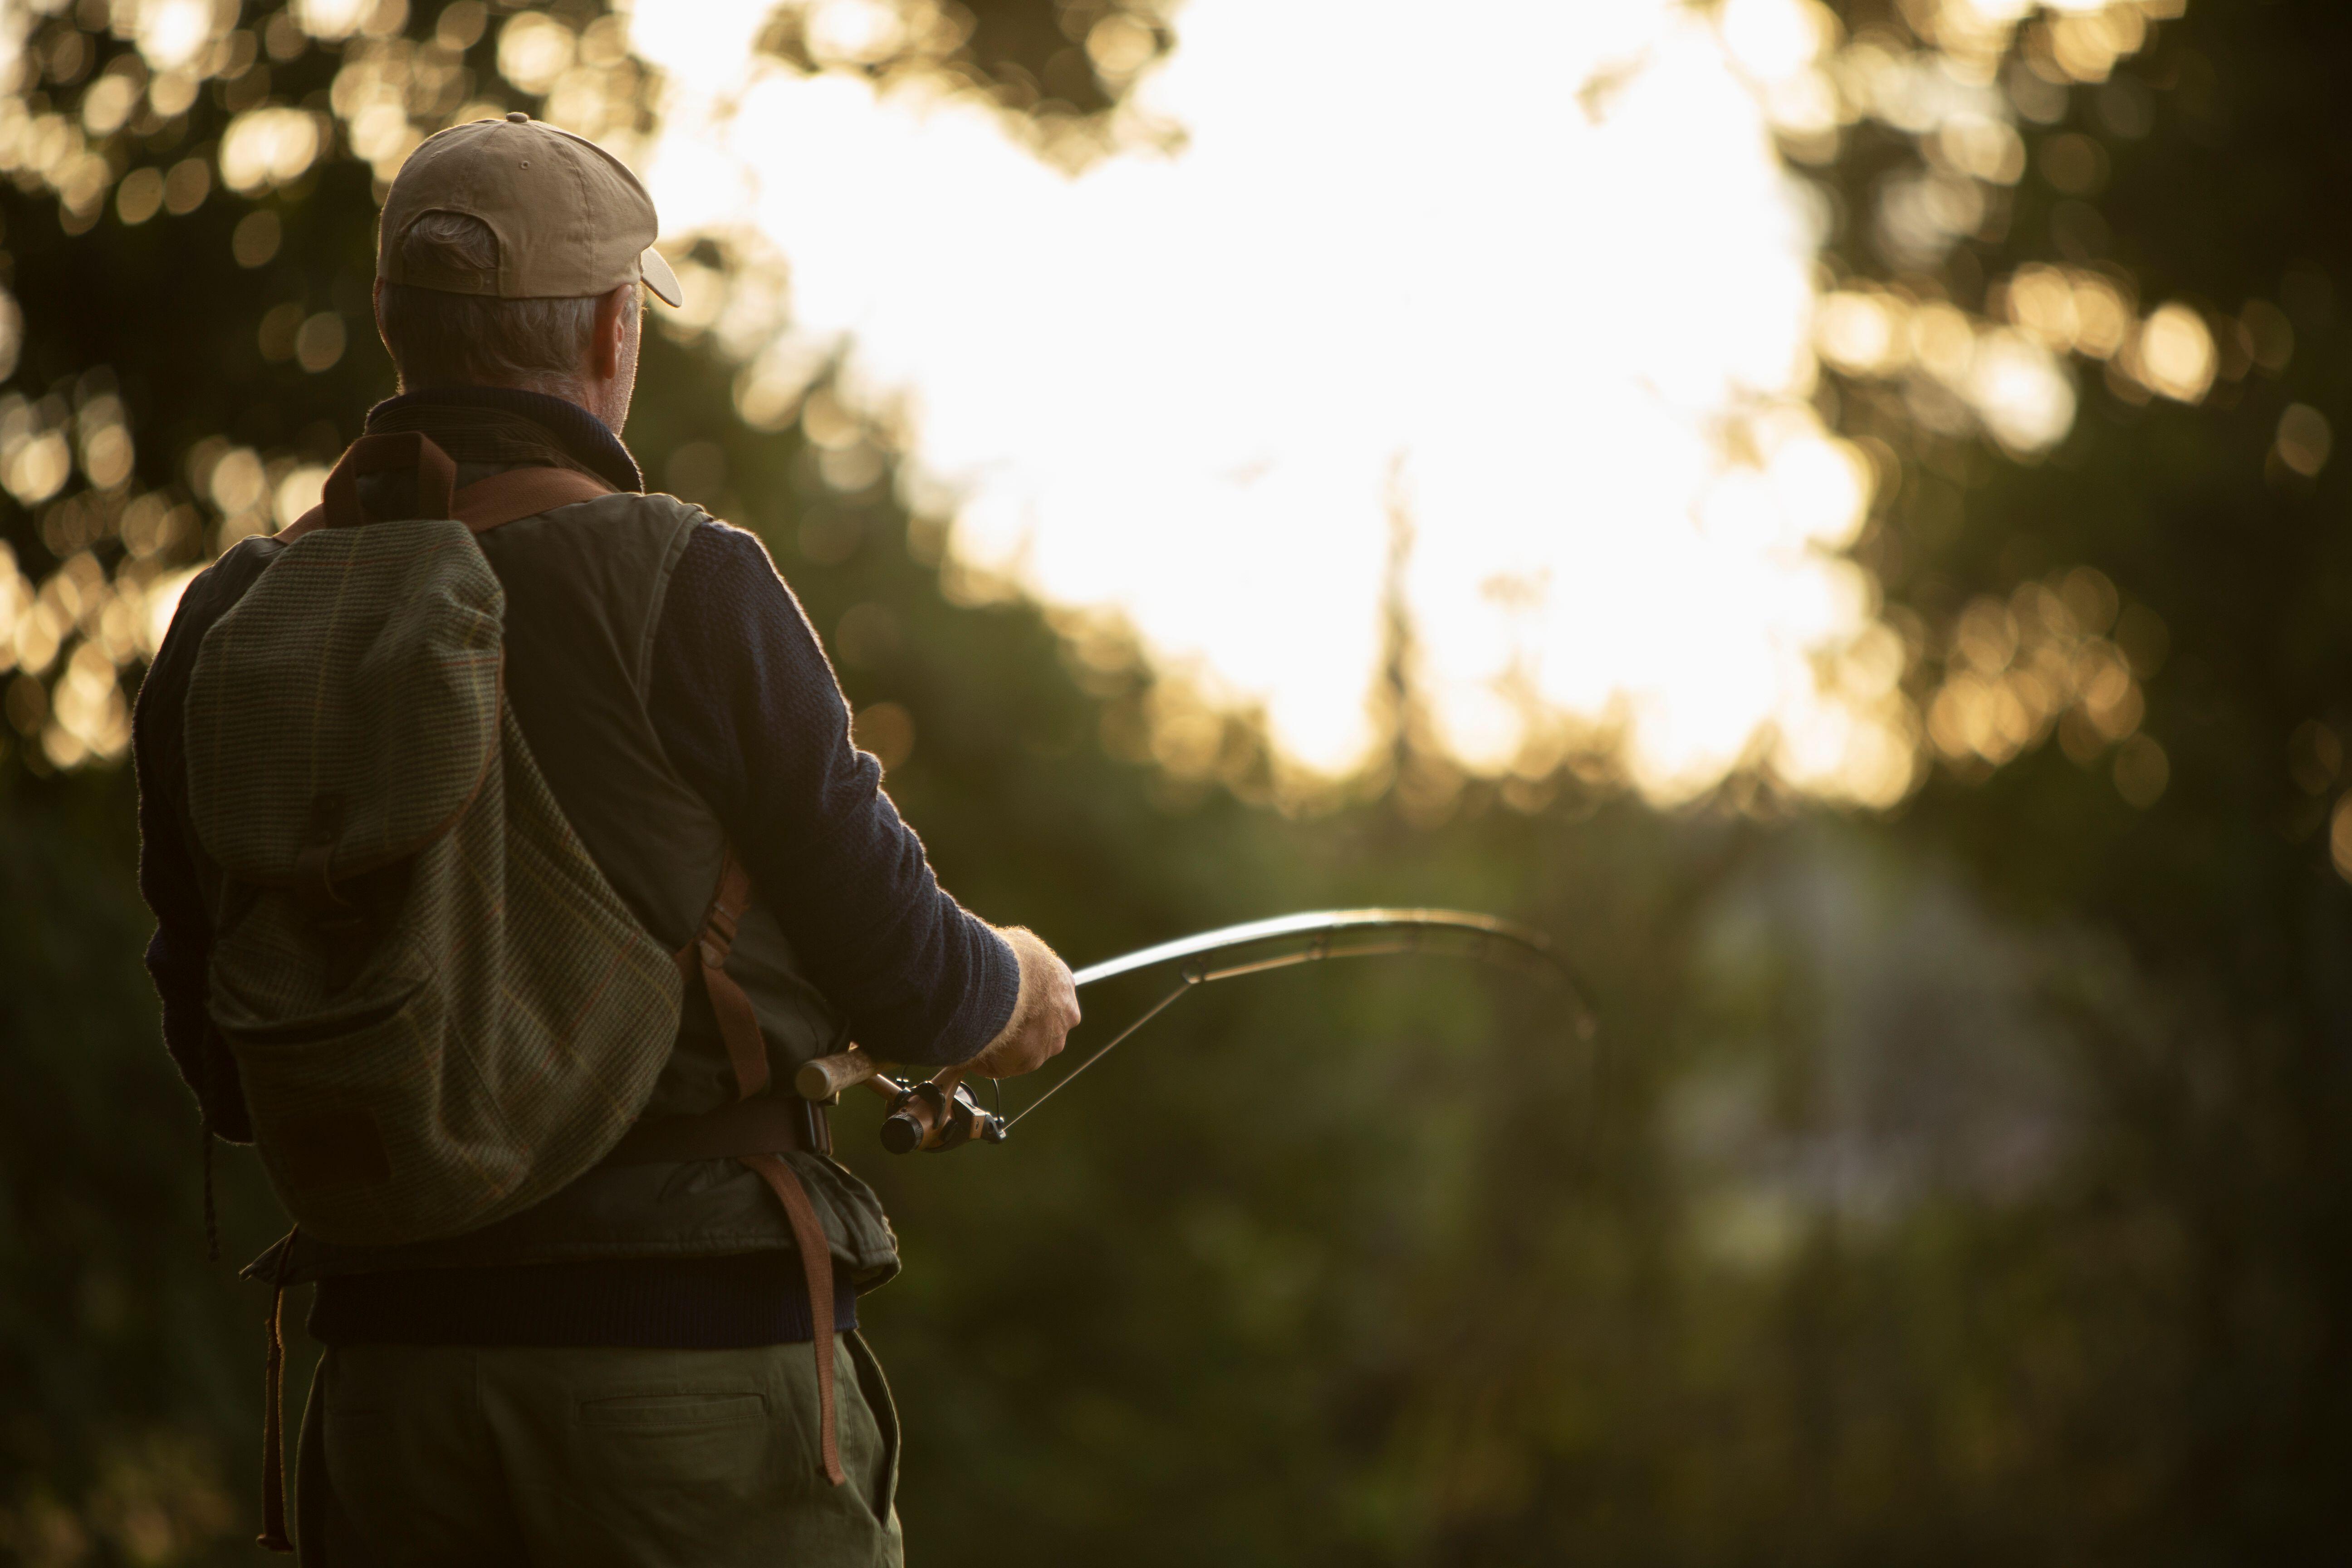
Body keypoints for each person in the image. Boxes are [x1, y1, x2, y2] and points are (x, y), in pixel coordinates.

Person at [132, 112, 1080, 1565]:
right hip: (689, 1388)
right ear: (610, 332)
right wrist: (1014, 981)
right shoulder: (691, 582)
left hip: (387, 1397)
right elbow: (908, 978)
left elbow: (225, 1065)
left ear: (393, 322)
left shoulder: (231, 618)